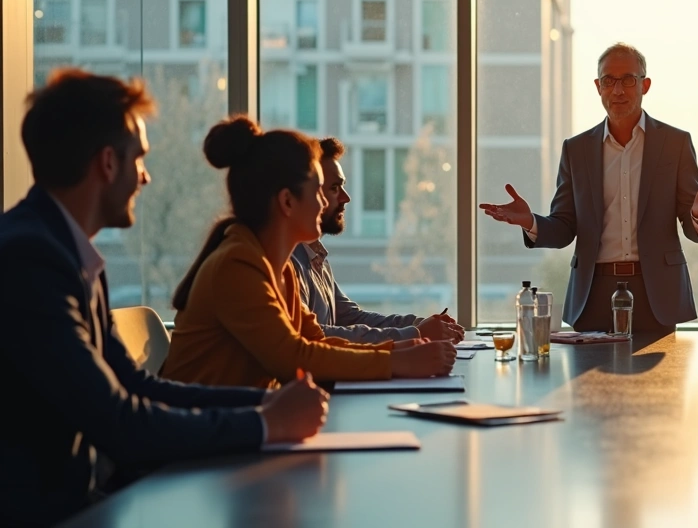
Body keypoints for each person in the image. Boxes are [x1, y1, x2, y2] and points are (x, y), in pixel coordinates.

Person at [0, 70, 327, 527]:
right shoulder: (30, 260)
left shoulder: (63, 252)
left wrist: (265, 407)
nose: (146, 177)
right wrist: (266, 424)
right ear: (108, 163)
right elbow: (119, 423)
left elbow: (137, 386)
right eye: (140, 159)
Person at [161, 117, 456, 389]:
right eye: (318, 191)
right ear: (287, 201)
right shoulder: (236, 264)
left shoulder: (280, 269)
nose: (323, 203)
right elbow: (293, 358)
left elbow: (315, 342)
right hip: (202, 437)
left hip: (242, 424)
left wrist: (401, 348)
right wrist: (397, 360)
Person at [479, 43, 698, 334]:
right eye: (608, 80)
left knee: (659, 381)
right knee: (589, 379)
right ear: (598, 86)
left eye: (628, 79)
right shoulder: (576, 150)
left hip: (657, 291)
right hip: (593, 293)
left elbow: (693, 227)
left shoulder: (675, 143)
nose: (617, 90)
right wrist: (530, 221)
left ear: (645, 85)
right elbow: (565, 227)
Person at [290, 137, 463, 344]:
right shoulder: (288, 262)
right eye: (334, 188)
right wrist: (416, 334)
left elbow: (352, 319)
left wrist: (420, 324)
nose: (346, 198)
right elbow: (314, 337)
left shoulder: (315, 255)